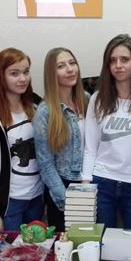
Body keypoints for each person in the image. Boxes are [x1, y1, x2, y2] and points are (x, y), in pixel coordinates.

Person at [82, 34, 131, 229]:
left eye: (124, 59)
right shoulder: (98, 99)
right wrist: (86, 188)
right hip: (102, 184)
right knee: (100, 242)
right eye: (113, 60)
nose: (118, 65)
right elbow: (90, 147)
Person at [0, 48, 43, 231]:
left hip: (36, 199)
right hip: (7, 204)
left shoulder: (37, 104)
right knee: (5, 250)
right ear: (0, 75)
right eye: (14, 73)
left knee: (34, 249)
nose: (23, 78)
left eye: (26, 72)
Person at [33, 48, 89, 231]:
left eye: (72, 63)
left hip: (89, 183)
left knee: (91, 242)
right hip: (63, 186)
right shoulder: (45, 111)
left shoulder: (87, 100)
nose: (70, 69)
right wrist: (66, 199)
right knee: (65, 244)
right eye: (61, 66)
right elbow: (45, 163)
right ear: (52, 74)